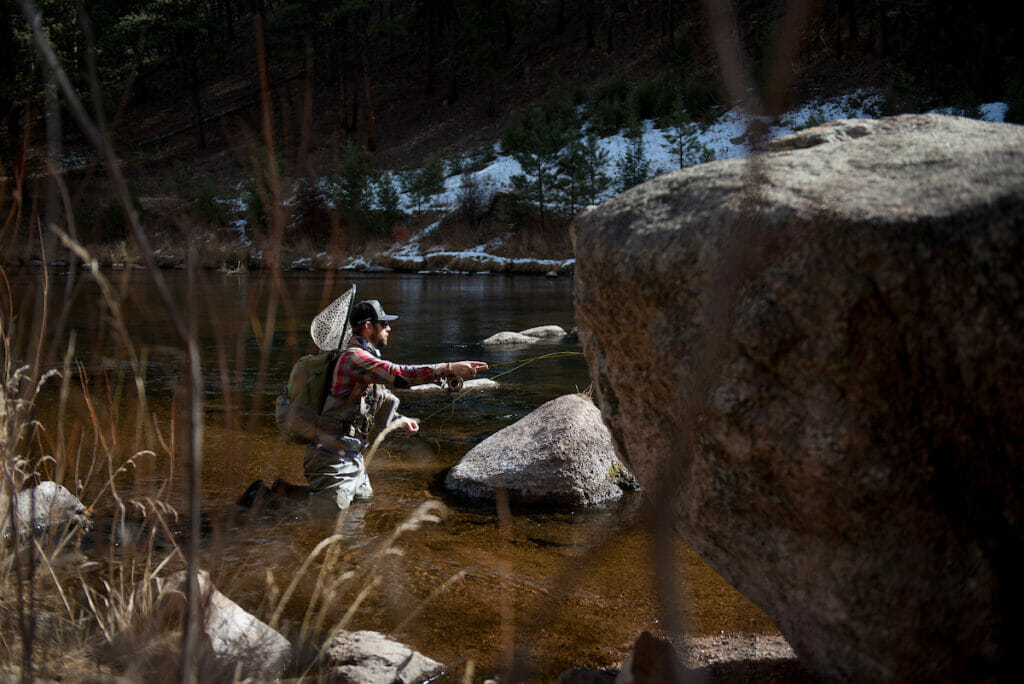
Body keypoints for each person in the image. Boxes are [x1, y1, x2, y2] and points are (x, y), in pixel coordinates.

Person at [303, 299, 488, 509]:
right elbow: (400, 374)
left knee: (361, 505)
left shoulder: (363, 359)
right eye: (384, 324)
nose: (389, 328)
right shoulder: (355, 359)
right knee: (328, 518)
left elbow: (369, 402)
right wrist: (448, 367)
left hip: (351, 457)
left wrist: (399, 420)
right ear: (368, 326)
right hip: (331, 458)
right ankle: (266, 498)